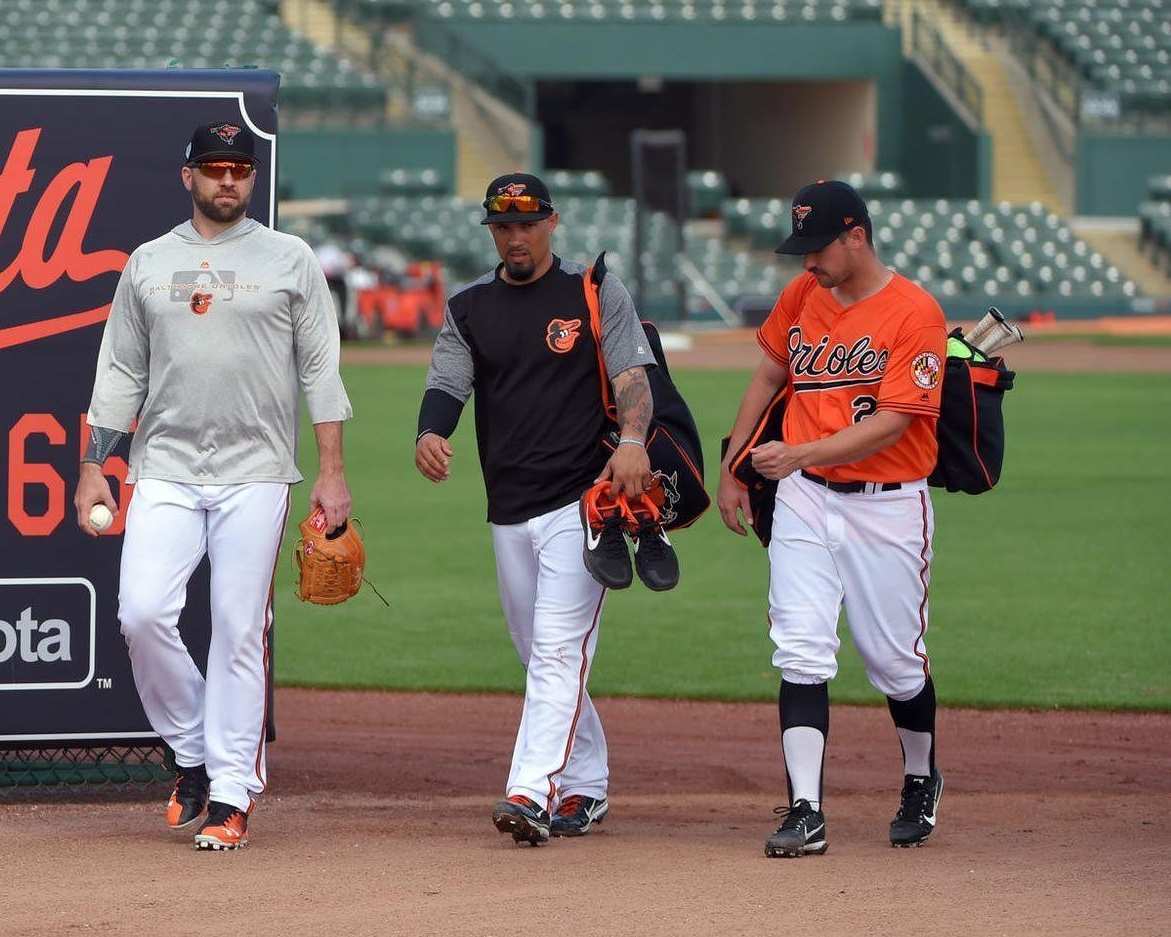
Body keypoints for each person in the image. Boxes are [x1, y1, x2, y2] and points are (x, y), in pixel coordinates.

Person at [76, 121, 353, 852]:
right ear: (187, 176)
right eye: (213, 168)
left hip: (256, 470)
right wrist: (92, 466)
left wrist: (331, 472)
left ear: (251, 179)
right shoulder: (148, 262)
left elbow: (320, 372)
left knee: (237, 629)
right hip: (163, 464)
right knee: (140, 613)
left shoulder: (289, 259)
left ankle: (230, 793)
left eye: (238, 169)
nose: (226, 180)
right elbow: (119, 374)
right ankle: (192, 750)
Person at [413, 172, 657, 846]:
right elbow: (446, 384)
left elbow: (634, 378)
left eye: (526, 222)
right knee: (541, 654)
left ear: (551, 223)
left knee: (555, 652)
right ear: (491, 231)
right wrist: (430, 433)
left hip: (583, 504)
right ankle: (585, 784)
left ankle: (530, 791)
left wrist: (633, 439)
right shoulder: (469, 309)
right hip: (507, 508)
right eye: (502, 225)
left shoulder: (593, 291)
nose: (514, 235)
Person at [715, 179, 949, 857]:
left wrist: (795, 452)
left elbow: (895, 423)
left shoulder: (914, 313)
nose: (805, 263)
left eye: (817, 248)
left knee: (894, 663)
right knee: (799, 647)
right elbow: (766, 376)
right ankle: (804, 810)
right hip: (804, 498)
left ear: (856, 236)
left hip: (889, 504)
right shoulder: (801, 297)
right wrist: (735, 463)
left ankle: (917, 775)